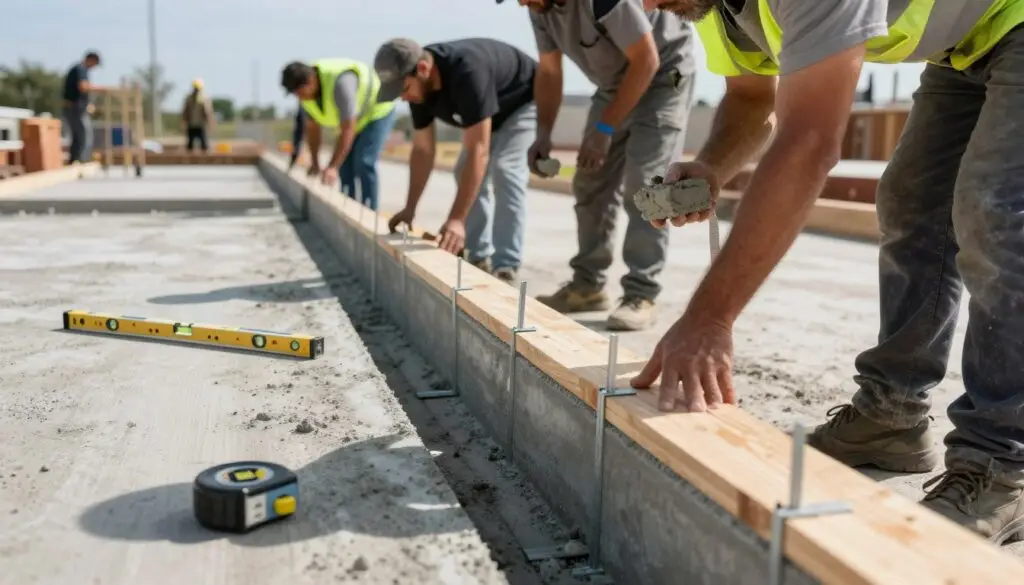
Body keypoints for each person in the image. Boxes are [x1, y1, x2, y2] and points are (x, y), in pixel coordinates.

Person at [634, 0, 1024, 544]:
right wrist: (711, 167)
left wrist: (709, 318)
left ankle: (1002, 466)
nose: (649, 6)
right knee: (913, 202)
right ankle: (893, 413)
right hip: (966, 45)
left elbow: (811, 142)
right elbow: (751, 97)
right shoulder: (716, 8)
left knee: (996, 211)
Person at [510, 0, 696, 331]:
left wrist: (604, 130)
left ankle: (641, 293)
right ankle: (587, 286)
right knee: (590, 180)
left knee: (646, 184)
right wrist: (543, 134)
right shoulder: (540, 10)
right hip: (616, 84)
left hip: (665, 76)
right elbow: (550, 71)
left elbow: (647, 60)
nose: (522, 2)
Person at [374, 37, 538, 285]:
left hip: (522, 100)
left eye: (404, 90)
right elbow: (423, 150)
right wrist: (410, 208)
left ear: (423, 70)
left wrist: (456, 219)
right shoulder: (419, 89)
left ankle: (506, 265)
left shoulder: (468, 72)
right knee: (463, 170)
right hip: (487, 107)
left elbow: (478, 151)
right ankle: (477, 255)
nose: (403, 99)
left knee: (505, 168)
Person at [280, 59, 397, 211]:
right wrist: (315, 163)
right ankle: (349, 208)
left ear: (310, 80)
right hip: (355, 119)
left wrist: (332, 167)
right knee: (345, 166)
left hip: (377, 111)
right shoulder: (306, 96)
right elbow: (313, 129)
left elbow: (348, 128)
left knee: (364, 160)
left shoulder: (341, 83)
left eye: (299, 92)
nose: (299, 98)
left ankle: (369, 211)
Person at [62, 50, 101, 164]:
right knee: (83, 134)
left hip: (75, 107)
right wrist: (99, 89)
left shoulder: (81, 69)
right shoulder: (80, 69)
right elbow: (83, 87)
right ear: (91, 60)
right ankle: (81, 159)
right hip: (75, 108)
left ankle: (76, 159)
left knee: (77, 135)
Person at [181, 78, 215, 152]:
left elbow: (208, 113)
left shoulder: (204, 98)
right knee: (190, 145)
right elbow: (185, 111)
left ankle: (205, 161)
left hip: (201, 125)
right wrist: (183, 121)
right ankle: (189, 162)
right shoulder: (189, 98)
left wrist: (210, 123)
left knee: (204, 145)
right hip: (191, 124)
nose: (196, 90)